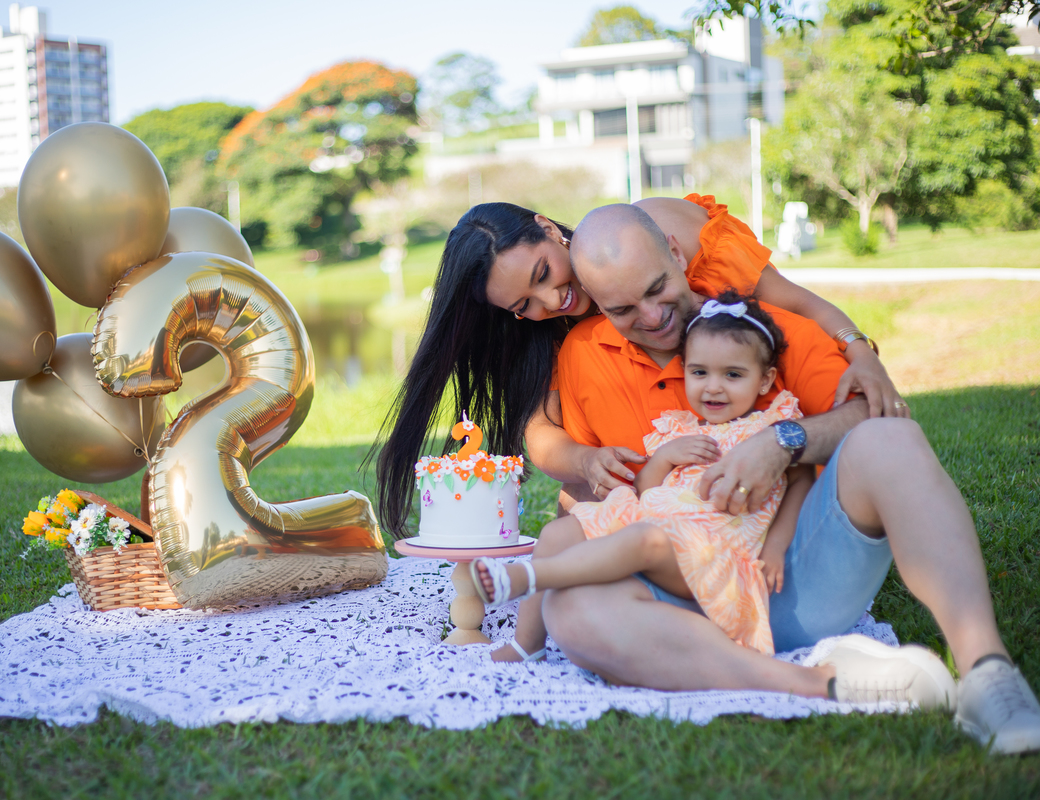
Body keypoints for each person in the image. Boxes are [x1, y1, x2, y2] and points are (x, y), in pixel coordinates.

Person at [536, 203, 1040, 755]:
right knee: (567, 606)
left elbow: (876, 413)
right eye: (624, 309)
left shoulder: (755, 328)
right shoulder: (583, 355)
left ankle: (987, 673)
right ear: (597, 305)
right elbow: (590, 498)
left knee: (889, 441)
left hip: (792, 576)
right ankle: (822, 685)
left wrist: (781, 443)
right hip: (673, 593)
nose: (653, 317)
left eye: (659, 288)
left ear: (677, 256)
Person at [375, 195, 906, 661]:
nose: (550, 302)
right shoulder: (568, 342)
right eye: (523, 306)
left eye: (543, 275)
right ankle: (537, 631)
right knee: (583, 523)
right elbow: (541, 432)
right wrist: (584, 464)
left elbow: (795, 301)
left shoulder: (653, 235)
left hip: (754, 478)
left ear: (549, 227)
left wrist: (857, 346)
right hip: (667, 495)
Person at [470, 292, 813, 656]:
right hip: (658, 529)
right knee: (557, 534)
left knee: (645, 538)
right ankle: (527, 643)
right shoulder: (680, 429)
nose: (713, 386)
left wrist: (776, 546)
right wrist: (664, 457)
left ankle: (526, 577)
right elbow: (647, 491)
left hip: (714, 557)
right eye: (699, 373)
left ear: (764, 380)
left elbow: (802, 481)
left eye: (733, 374)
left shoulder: (772, 429)